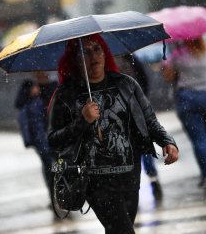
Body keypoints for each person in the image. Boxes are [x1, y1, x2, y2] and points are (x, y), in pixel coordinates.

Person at [47, 34, 178, 233]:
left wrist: (167, 141)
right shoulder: (65, 95)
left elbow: (149, 120)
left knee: (118, 230)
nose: (93, 56)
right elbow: (53, 141)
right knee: (123, 231)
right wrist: (82, 121)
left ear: (105, 52)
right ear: (75, 59)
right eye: (85, 52)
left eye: (97, 49)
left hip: (130, 175)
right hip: (95, 181)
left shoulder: (126, 84)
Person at [162, 37, 206, 188]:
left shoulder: (178, 55)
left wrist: (171, 65)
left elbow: (168, 77)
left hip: (188, 99)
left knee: (199, 139)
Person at [115, 54, 163, 199]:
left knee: (124, 147)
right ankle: (152, 177)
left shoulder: (104, 62)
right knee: (143, 143)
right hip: (135, 108)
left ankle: (129, 183)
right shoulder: (130, 57)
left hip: (117, 111)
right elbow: (144, 81)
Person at [15, 71, 58, 209]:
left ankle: (65, 193)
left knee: (60, 164)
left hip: (56, 131)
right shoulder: (28, 85)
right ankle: (53, 197)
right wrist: (30, 93)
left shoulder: (54, 84)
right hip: (39, 134)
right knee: (47, 166)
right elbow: (18, 103)